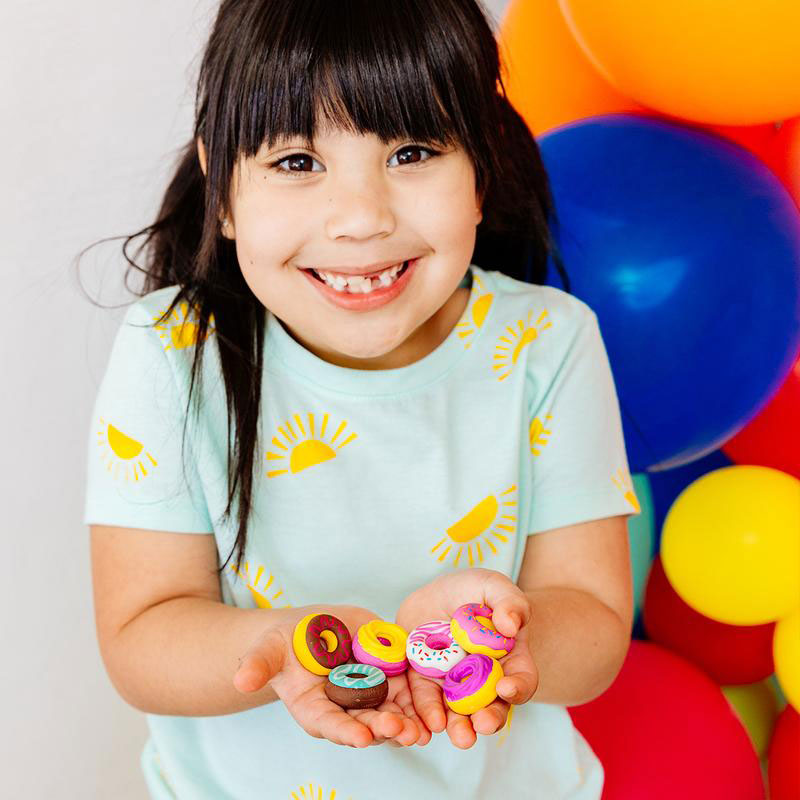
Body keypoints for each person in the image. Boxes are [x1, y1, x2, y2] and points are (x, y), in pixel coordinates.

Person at [82, 0, 641, 797]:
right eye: (297, 163)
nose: (360, 219)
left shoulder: (549, 345)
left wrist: (509, 630)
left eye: (412, 151)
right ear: (224, 189)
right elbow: (140, 635)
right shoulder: (172, 353)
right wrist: (282, 646)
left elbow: (592, 623)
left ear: (481, 171)